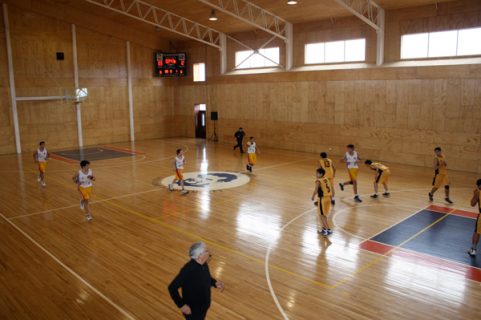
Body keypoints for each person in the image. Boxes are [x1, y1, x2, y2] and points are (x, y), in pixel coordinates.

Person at [168, 242, 225, 320]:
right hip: (193, 310)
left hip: (203, 306)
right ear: (200, 256)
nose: (209, 252)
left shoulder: (203, 264)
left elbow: (206, 277)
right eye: (206, 250)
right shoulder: (188, 270)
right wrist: (181, 305)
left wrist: (214, 283)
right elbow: (172, 287)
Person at [311, 168, 333, 236]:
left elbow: (316, 190)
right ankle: (327, 229)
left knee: (321, 215)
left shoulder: (318, 181)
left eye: (317, 173)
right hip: (328, 198)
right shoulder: (326, 179)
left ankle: (325, 231)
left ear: (321, 174)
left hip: (322, 199)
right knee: (324, 215)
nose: (316, 174)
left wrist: (313, 196)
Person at [467, 179, 481, 257]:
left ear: (479, 186)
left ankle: (473, 250)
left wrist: (474, 194)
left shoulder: (478, 192)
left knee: (477, 232)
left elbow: (472, 204)